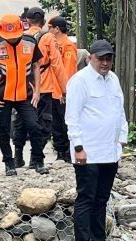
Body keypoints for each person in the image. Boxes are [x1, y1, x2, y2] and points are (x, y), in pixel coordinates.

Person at [65, 40, 129, 241]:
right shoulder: (80, 81)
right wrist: (79, 147)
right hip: (88, 152)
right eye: (100, 58)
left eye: (108, 58)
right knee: (86, 200)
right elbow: (71, 117)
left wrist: (122, 137)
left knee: (101, 200)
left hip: (109, 151)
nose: (104, 62)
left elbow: (119, 110)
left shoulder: (113, 80)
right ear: (90, 57)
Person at [0, 14, 48, 178]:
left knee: (35, 126)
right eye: (9, 37)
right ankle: (9, 163)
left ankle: (38, 160)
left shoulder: (30, 42)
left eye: (15, 36)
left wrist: (37, 91)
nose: (12, 39)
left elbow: (36, 67)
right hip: (1, 95)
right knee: (4, 129)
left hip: (26, 94)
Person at [13, 6, 66, 171]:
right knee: (43, 123)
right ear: (43, 22)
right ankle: (35, 158)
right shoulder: (48, 38)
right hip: (44, 88)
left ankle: (18, 156)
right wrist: (65, 89)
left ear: (27, 21)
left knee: (21, 122)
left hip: (23, 88)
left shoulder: (20, 37)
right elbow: (57, 64)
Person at [48, 16, 77, 161]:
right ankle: (59, 151)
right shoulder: (53, 45)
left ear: (57, 29)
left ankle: (67, 152)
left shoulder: (68, 46)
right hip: (52, 90)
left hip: (63, 92)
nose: (48, 31)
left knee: (66, 122)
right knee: (56, 123)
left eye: (50, 28)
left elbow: (69, 70)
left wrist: (65, 91)